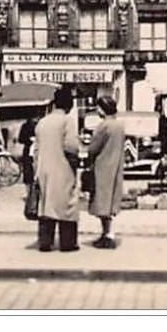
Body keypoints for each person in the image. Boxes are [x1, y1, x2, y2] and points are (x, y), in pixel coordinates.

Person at [32, 86, 83, 253]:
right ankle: (67, 243)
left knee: (46, 206)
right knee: (66, 205)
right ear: (69, 105)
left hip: (43, 168)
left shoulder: (42, 122)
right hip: (62, 168)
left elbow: (36, 149)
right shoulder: (67, 121)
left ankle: (45, 242)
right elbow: (71, 147)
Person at [86, 97, 126, 249]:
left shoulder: (103, 126)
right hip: (115, 165)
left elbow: (92, 148)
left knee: (102, 202)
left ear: (103, 109)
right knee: (109, 202)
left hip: (102, 167)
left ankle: (107, 234)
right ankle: (107, 234)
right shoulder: (119, 126)